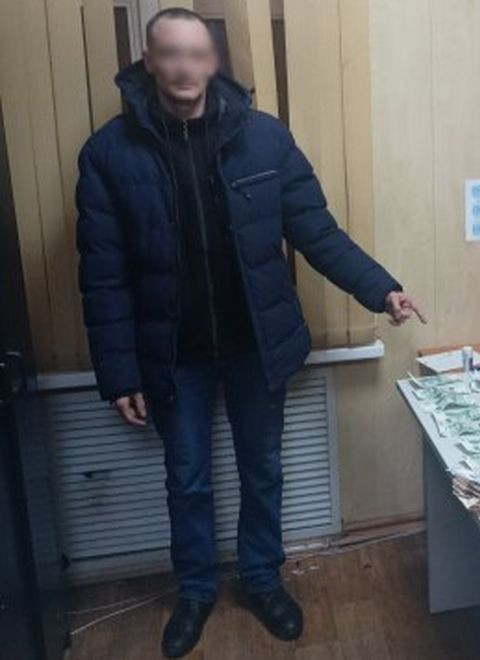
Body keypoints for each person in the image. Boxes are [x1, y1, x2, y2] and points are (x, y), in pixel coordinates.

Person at [74, 7, 424, 658]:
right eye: (170, 54)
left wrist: (381, 289)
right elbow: (102, 274)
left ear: (213, 62)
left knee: (262, 469)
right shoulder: (108, 154)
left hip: (255, 345)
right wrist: (118, 373)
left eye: (196, 54)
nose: (184, 68)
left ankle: (263, 580)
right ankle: (195, 591)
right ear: (149, 62)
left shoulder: (264, 139)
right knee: (187, 479)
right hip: (172, 353)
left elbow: (316, 231)